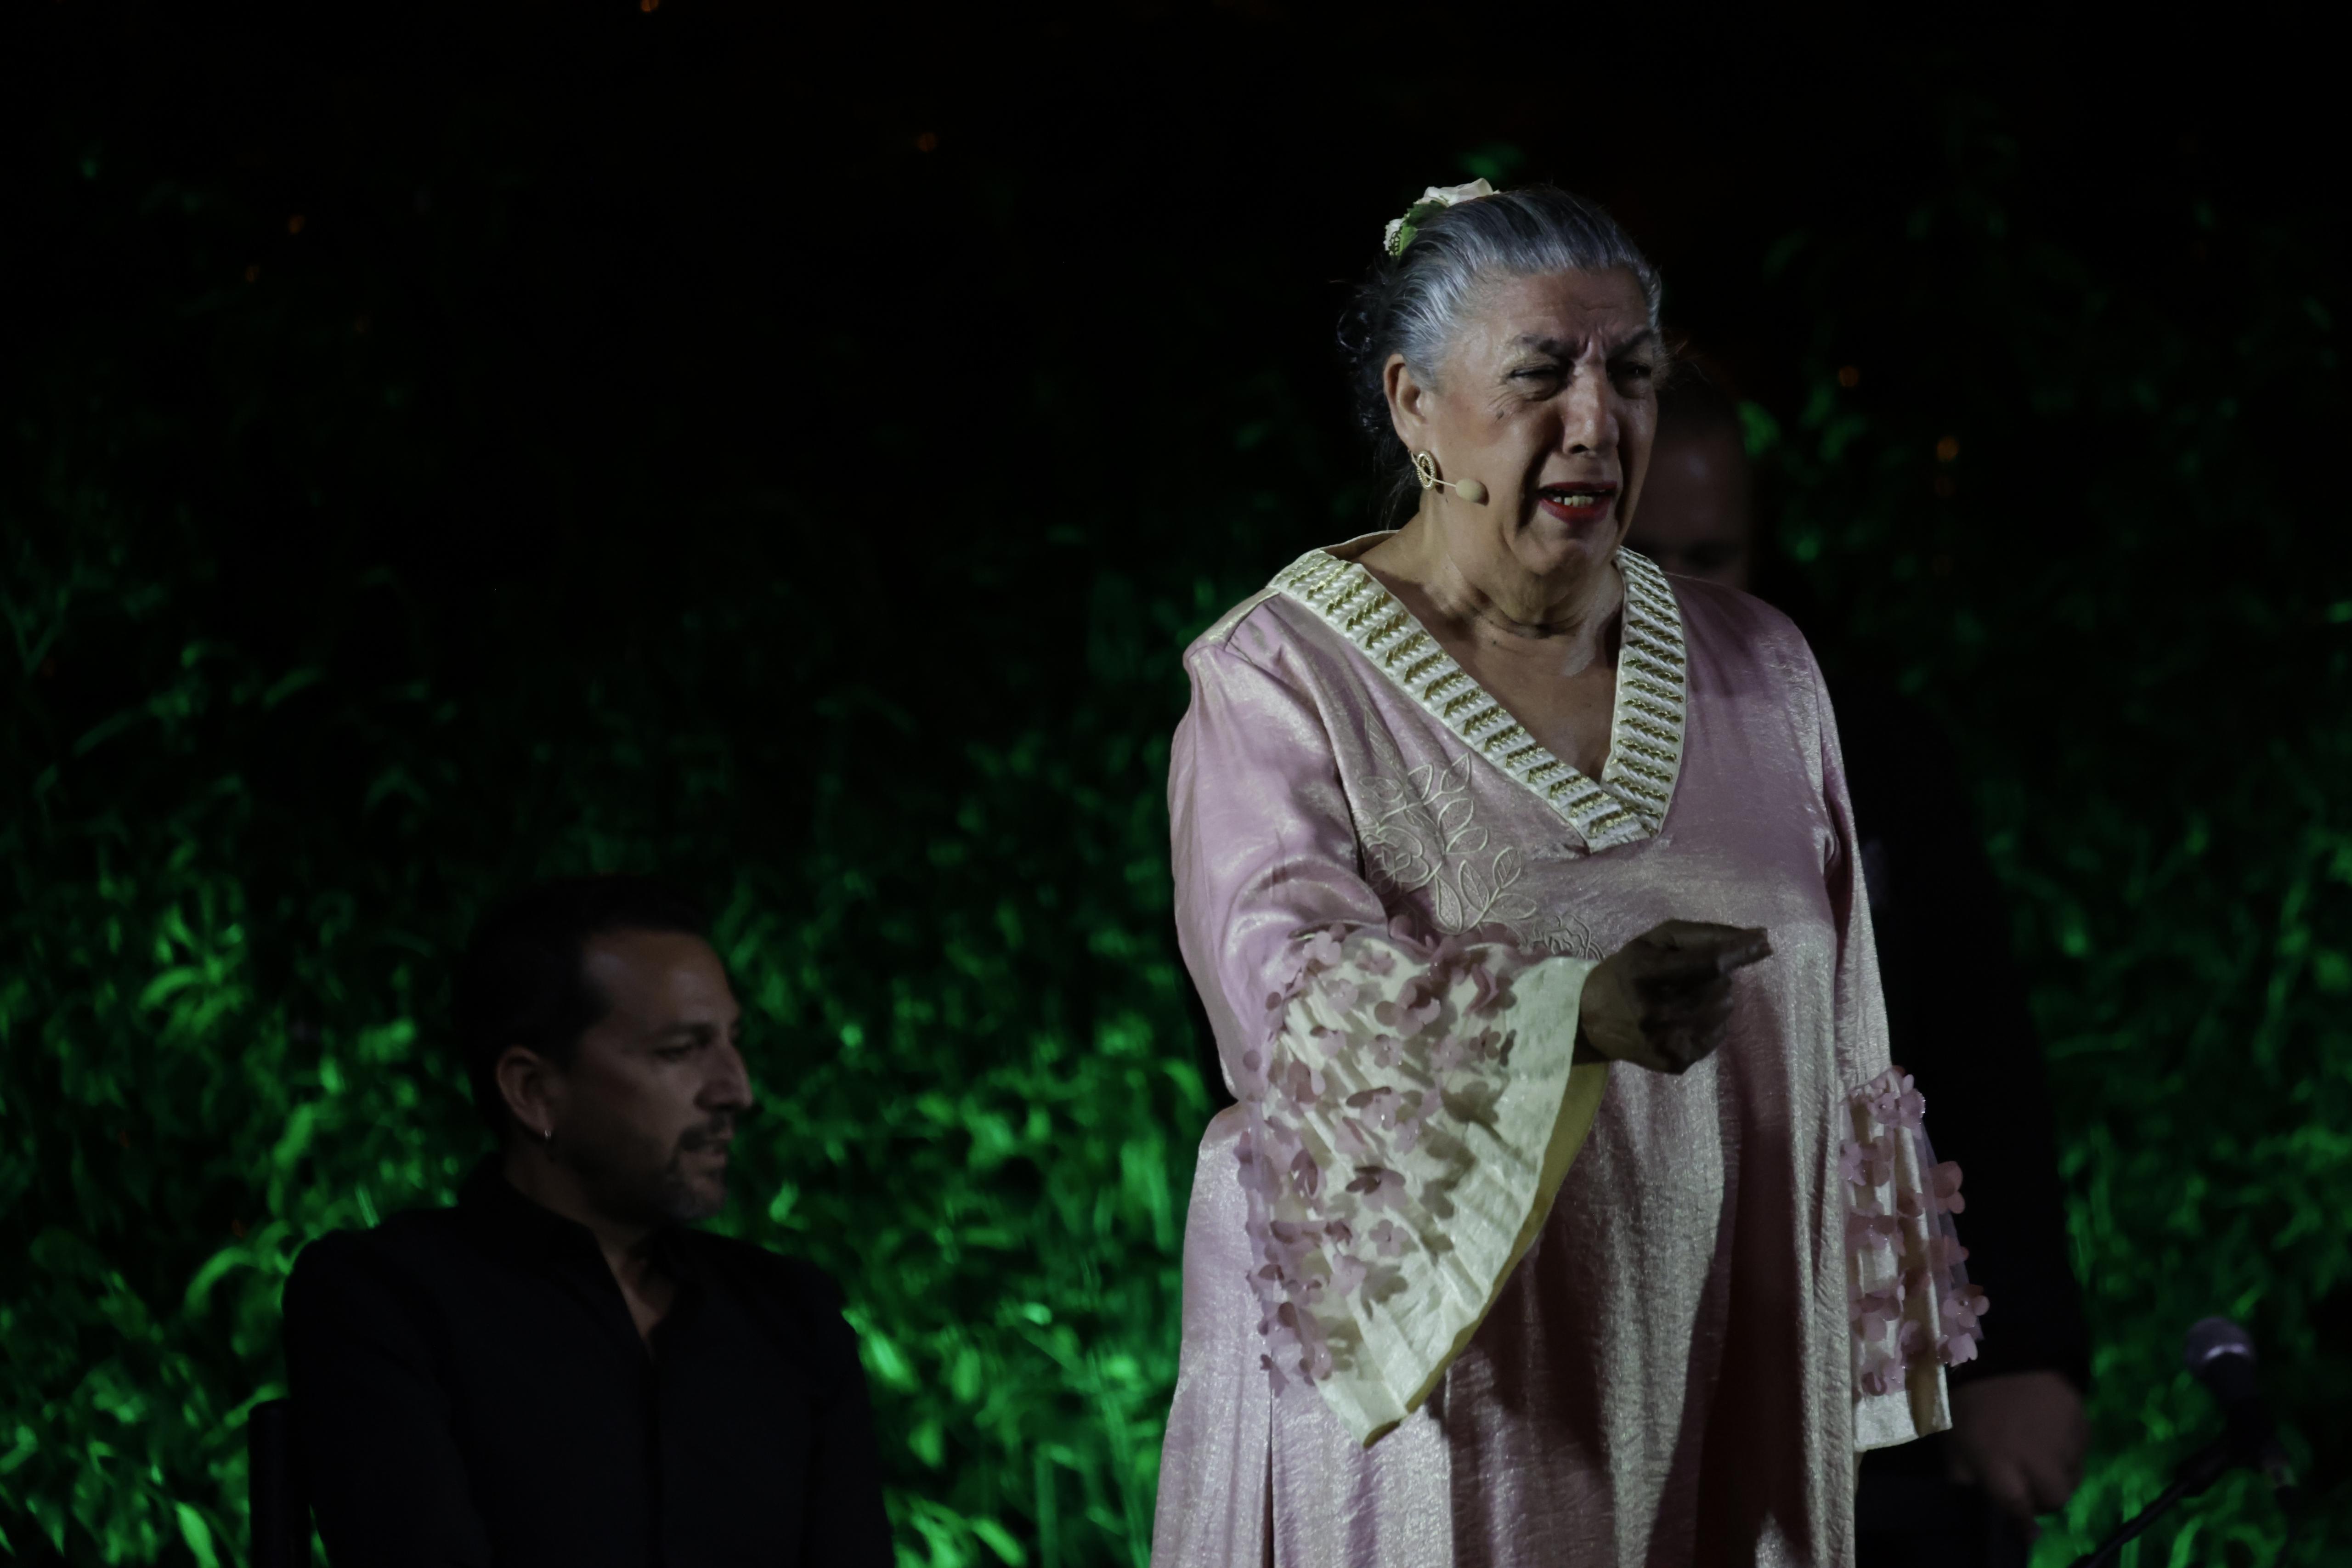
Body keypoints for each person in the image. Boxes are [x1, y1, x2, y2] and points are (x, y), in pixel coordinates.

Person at [1151, 181, 1984, 1568]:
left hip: (1726, 1384)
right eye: (1541, 375)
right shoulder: (1283, 680)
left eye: (1634, 374)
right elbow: (1294, 1018)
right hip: (1459, 1431)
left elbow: (1849, 1040)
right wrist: (1565, 1014)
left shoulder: (1763, 668)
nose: (1598, 421)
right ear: (1416, 403)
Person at [1628, 374, 2092, 1564]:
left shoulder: (1867, 747)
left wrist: (2023, 1344)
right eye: (1641, 552)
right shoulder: (1481, 759)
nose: (1676, 594)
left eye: (1711, 551)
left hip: (1860, 1362)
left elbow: (1977, 1050)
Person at [283, 876, 892, 1567]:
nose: (736, 1090)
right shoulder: (390, 1298)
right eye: (681, 1049)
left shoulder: (791, 1316)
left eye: (731, 1041)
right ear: (535, 1091)